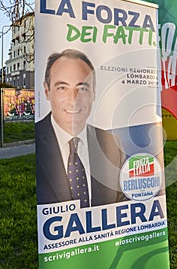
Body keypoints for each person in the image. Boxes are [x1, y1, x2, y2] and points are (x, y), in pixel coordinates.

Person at [36, 49, 127, 208]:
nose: (73, 99)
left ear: (94, 92)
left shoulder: (112, 144)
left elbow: (123, 201)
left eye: (82, 88)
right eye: (62, 88)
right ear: (47, 91)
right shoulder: (34, 143)